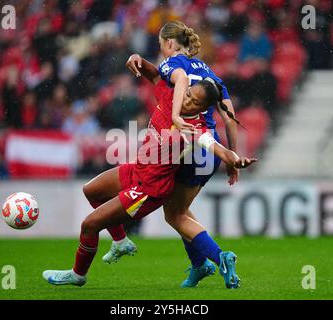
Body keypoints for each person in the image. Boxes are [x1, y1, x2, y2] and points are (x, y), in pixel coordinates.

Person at [42, 78, 257, 289]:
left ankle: (78, 275)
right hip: (138, 168)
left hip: (149, 189)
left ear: (204, 108)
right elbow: (156, 74)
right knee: (91, 191)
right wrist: (137, 60)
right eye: (189, 95)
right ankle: (120, 242)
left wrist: (236, 160)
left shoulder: (196, 129)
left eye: (196, 103)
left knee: (90, 225)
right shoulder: (170, 96)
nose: (188, 102)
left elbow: (218, 149)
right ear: (186, 89)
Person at [102, 21, 241, 288]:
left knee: (175, 215)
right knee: (180, 211)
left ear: (169, 43)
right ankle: (200, 266)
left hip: (187, 145)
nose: (161, 50)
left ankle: (218, 258)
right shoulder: (213, 75)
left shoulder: (172, 63)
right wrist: (231, 157)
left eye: (160, 45)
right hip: (209, 151)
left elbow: (173, 80)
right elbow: (230, 119)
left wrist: (176, 114)